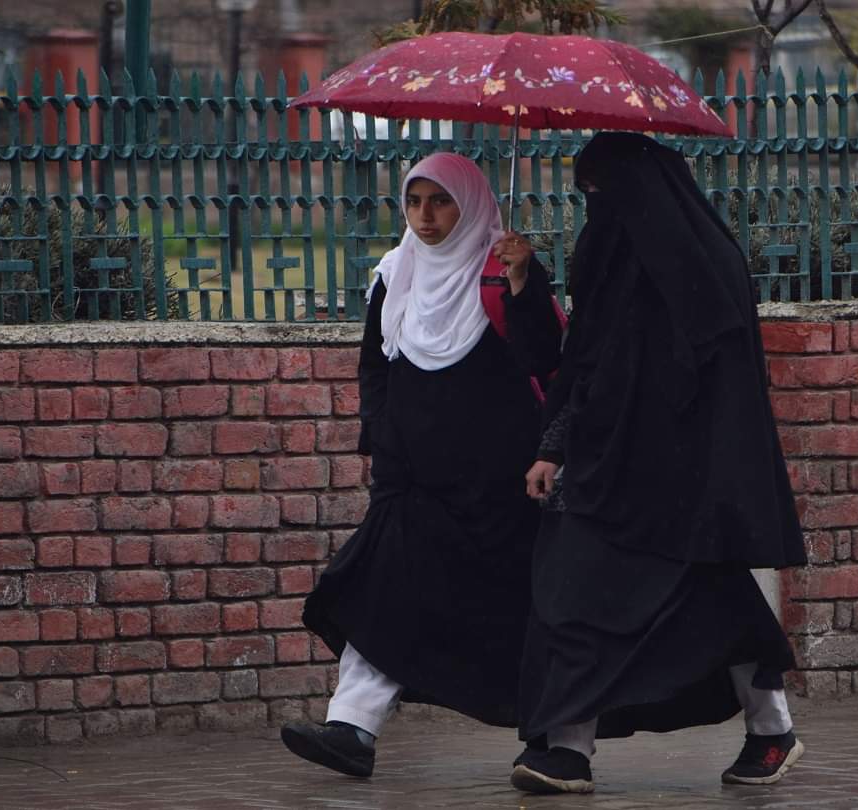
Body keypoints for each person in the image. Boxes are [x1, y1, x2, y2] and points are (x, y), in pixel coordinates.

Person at [510, 132, 808, 795]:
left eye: (600, 193)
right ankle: (566, 747)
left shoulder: (704, 270)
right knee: (570, 594)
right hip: (603, 469)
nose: (595, 209)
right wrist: (552, 447)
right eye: (585, 196)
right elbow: (582, 362)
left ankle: (770, 730)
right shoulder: (610, 261)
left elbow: (718, 393)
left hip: (684, 481)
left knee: (715, 603)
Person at [281, 152, 563, 778]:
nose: (426, 216)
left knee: (513, 602)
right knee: (385, 582)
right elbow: (375, 364)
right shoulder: (394, 272)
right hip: (412, 476)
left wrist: (521, 283)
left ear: (469, 203)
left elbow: (543, 355)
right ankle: (351, 727)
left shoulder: (503, 266)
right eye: (414, 201)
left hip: (496, 480)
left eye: (441, 201)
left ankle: (550, 739)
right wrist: (381, 438)